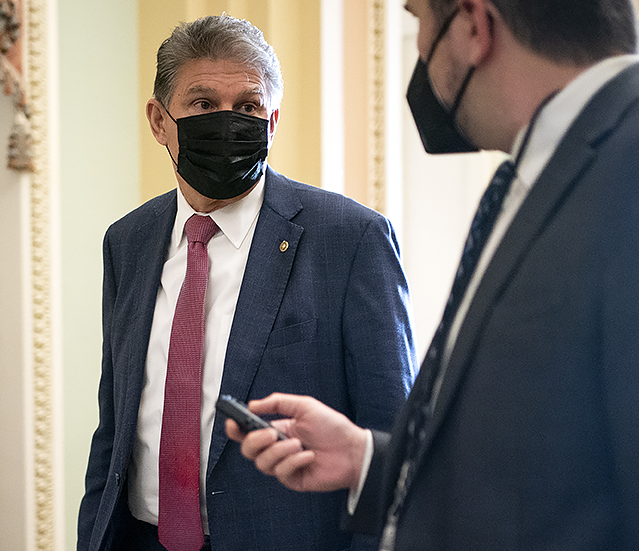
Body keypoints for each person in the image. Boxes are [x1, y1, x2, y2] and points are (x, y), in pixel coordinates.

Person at [228, 0, 639, 550]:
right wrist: (367, 459)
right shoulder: (527, 178)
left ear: (473, 26)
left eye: (419, 20)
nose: (418, 50)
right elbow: (540, 465)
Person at [78, 14, 417, 551]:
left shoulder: (351, 240)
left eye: (248, 107)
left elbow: (395, 443)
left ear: (272, 121)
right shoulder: (127, 242)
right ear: (159, 120)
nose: (227, 123)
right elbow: (115, 425)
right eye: (204, 104)